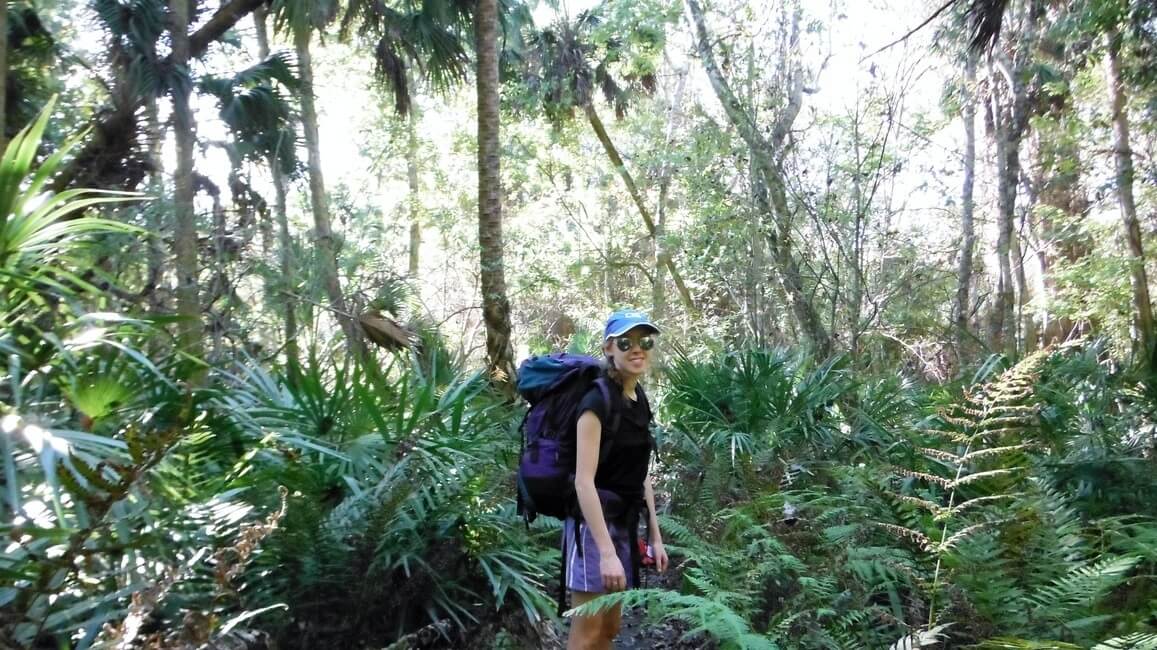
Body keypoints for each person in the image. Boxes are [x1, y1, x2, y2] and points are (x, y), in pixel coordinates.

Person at [565, 309, 670, 650]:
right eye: (626, 342)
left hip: (625, 524)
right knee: (587, 634)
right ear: (609, 348)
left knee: (609, 628)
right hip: (592, 528)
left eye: (645, 341)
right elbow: (583, 482)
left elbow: (641, 475)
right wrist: (607, 553)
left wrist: (655, 535)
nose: (637, 349)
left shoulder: (639, 400)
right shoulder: (596, 402)